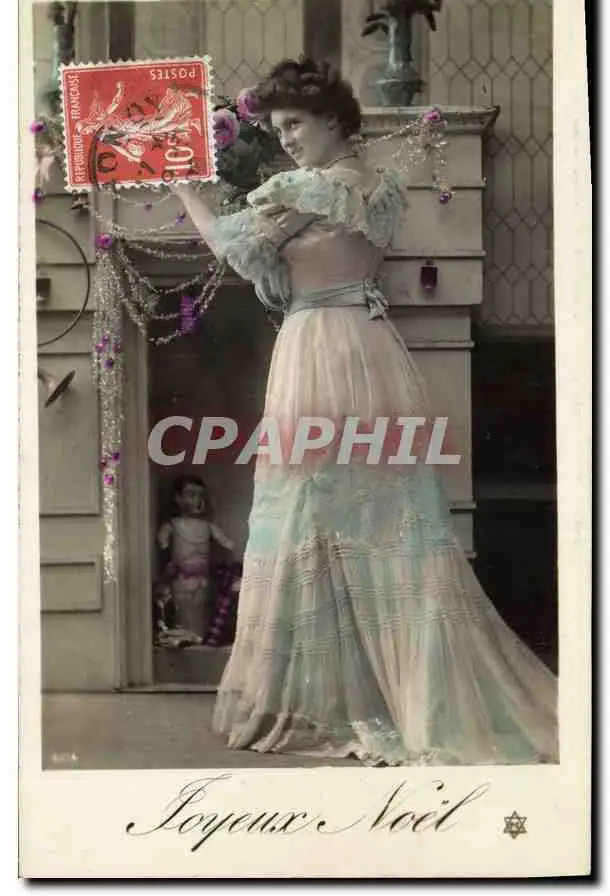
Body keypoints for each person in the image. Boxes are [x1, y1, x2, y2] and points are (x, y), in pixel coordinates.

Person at [173, 57, 557, 766]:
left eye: (295, 124)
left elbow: (230, 242)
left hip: (330, 349)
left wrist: (184, 189)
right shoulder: (351, 188)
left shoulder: (319, 187)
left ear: (332, 119)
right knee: (341, 517)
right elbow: (264, 257)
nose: (287, 138)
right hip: (347, 345)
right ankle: (353, 692)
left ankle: (380, 698)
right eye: (277, 129)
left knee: (339, 513)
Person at [157, 474, 235, 643]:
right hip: (182, 580)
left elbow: (226, 543)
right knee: (182, 614)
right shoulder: (174, 524)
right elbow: (163, 540)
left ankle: (199, 640)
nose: (197, 500)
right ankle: (183, 639)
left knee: (202, 614)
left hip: (204, 580)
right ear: (178, 498)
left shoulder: (207, 525)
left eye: (201, 496)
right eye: (191, 495)